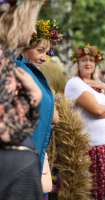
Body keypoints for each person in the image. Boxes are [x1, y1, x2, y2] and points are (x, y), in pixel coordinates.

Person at [0, 0, 45, 199]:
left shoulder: (7, 57)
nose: (34, 29)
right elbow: (6, 132)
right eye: (33, 19)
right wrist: (33, 99)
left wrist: (33, 99)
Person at [64, 44, 105, 200]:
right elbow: (97, 111)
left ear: (96, 64)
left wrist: (104, 86)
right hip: (91, 147)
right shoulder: (75, 83)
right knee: (96, 192)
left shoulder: (98, 84)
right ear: (77, 63)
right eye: (83, 60)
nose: (87, 63)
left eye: (91, 60)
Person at [16, 20, 62, 185]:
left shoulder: (34, 73)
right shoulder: (18, 69)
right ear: (25, 47)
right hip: (24, 152)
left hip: (37, 150)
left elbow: (54, 117)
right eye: (40, 51)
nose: (44, 57)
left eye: (47, 52)